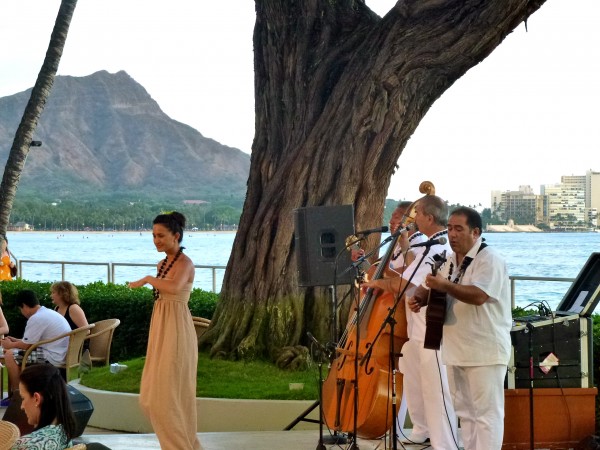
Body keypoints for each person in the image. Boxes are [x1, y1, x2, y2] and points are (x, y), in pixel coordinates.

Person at [364, 195, 458, 449]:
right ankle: (423, 429)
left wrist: (375, 283)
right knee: (417, 383)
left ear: (428, 217)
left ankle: (446, 444)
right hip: (416, 330)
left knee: (437, 390)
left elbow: (404, 284)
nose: (413, 220)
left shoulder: (437, 249)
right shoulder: (429, 247)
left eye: (417, 215)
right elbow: (408, 275)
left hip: (432, 331)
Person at [413, 206, 511, 450]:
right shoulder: (449, 262)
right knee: (466, 414)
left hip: (485, 351)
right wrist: (422, 297)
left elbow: (479, 295)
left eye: (459, 229)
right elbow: (442, 292)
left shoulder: (490, 259)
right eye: (449, 228)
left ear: (475, 232)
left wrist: (443, 285)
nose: (452, 234)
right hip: (457, 349)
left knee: (487, 416)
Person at [128, 211, 201, 450]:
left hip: (177, 330)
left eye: (161, 235)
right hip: (161, 324)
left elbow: (174, 287)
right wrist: (153, 276)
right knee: (151, 395)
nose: (156, 240)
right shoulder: (162, 264)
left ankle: (179, 446)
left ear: (176, 236)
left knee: (169, 396)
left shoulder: (185, 263)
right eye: (153, 235)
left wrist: (148, 279)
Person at [0, 290, 71, 403]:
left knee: (9, 355)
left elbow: (26, 345)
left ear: (24, 306)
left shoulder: (36, 318)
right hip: (59, 353)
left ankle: (18, 397)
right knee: (16, 355)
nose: (22, 312)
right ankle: (25, 394)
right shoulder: (47, 313)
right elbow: (31, 342)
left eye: (20, 309)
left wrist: (10, 345)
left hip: (51, 357)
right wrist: (16, 341)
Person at [11, 363, 76, 450]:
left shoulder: (26, 445)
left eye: (23, 398)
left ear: (37, 399)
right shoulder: (64, 434)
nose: (22, 406)